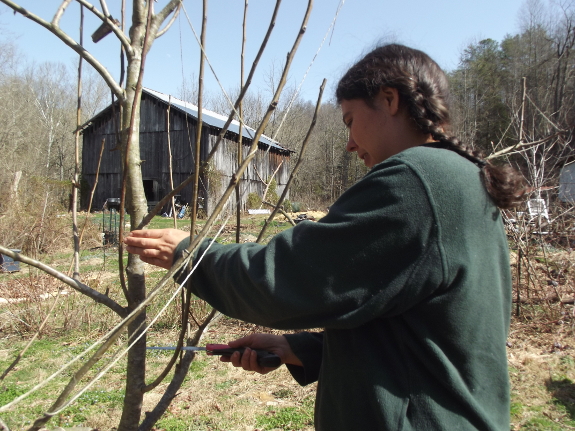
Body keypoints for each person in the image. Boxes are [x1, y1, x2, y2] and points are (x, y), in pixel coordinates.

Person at [125, 44, 524, 430]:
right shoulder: (460, 179)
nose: (349, 144)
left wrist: (190, 255)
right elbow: (421, 330)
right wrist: (301, 349)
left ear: (389, 99)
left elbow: (288, 279)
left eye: (350, 121)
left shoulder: (414, 184)